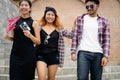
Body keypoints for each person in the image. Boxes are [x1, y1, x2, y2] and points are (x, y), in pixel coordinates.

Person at [71, 0, 110, 80]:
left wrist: (105, 56)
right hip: (83, 52)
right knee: (82, 78)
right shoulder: (80, 19)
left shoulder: (104, 21)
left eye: (91, 6)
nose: (89, 8)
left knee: (96, 78)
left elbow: (106, 40)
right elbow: (75, 36)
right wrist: (73, 51)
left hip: (98, 53)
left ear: (97, 6)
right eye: (87, 7)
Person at [4, 0, 40, 80]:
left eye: (26, 5)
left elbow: (38, 41)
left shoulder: (34, 23)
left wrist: (30, 35)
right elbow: (15, 38)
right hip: (15, 55)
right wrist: (8, 37)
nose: (24, 7)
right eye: (22, 5)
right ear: (19, 7)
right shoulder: (15, 21)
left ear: (30, 8)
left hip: (29, 56)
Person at [36, 6, 74, 80]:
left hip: (54, 56)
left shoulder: (59, 28)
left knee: (51, 78)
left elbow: (70, 35)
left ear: (55, 16)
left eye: (52, 15)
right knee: (41, 78)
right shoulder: (39, 26)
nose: (50, 16)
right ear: (45, 15)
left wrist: (75, 26)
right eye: (48, 14)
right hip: (41, 55)